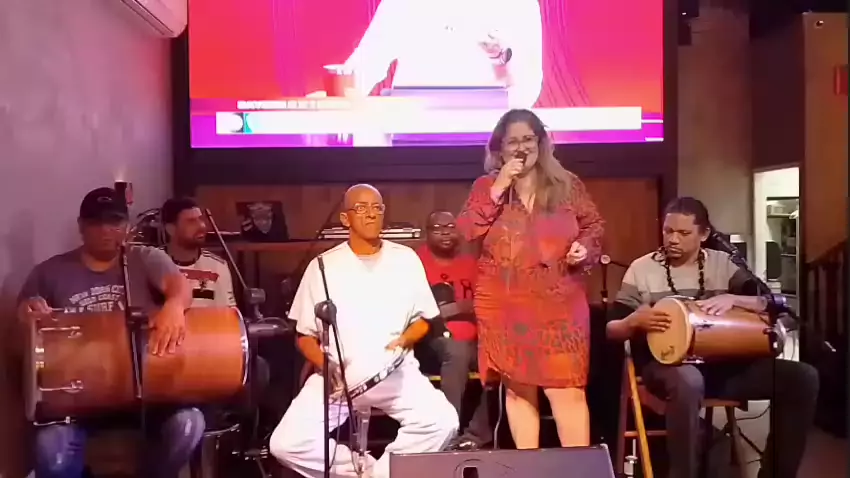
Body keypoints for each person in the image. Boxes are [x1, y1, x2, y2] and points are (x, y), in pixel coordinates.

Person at [605, 196, 819, 478]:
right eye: (668, 231)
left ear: (704, 234)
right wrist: (634, 321)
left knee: (802, 378)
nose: (673, 239)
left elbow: (771, 304)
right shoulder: (641, 269)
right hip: (666, 368)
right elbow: (612, 329)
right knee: (688, 380)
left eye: (684, 233)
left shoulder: (724, 264)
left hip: (725, 368)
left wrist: (735, 299)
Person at [270, 184, 458, 478]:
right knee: (286, 444)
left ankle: (384, 473)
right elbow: (304, 335)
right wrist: (324, 364)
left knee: (443, 423)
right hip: (339, 377)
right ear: (345, 218)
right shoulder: (323, 266)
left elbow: (426, 318)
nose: (371, 214)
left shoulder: (405, 259)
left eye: (377, 208)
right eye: (361, 208)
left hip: (395, 371)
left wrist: (405, 340)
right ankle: (361, 471)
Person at [19, 187, 202, 478]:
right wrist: (29, 312)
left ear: (126, 226)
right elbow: (24, 317)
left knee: (189, 424)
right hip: (77, 400)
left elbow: (178, 285)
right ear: (81, 226)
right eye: (96, 222)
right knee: (50, 449)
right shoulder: (50, 272)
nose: (106, 230)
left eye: (115, 222)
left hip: (146, 394)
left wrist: (174, 305)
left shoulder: (145, 258)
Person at [456, 108, 604, 449]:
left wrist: (583, 247)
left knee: (566, 391)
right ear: (500, 148)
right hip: (506, 307)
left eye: (528, 139)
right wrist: (499, 188)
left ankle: (578, 469)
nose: (521, 148)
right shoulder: (487, 187)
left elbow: (594, 226)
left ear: (540, 143)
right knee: (519, 392)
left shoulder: (567, 185)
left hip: (560, 304)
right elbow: (467, 229)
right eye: (513, 142)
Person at [340, 0, 543, 108]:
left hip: (491, 141)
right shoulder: (403, 4)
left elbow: (529, 83)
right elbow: (366, 65)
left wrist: (506, 62)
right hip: (410, 136)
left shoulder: (516, 5)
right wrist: (338, 100)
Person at [416, 210, 492, 451]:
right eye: (438, 228)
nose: (445, 233)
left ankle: (475, 435)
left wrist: (458, 308)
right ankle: (446, 434)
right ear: (427, 233)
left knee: (501, 358)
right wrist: (457, 309)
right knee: (456, 351)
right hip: (430, 340)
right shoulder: (415, 262)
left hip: (475, 340)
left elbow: (485, 303)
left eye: (450, 227)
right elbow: (414, 310)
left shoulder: (471, 264)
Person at [161, 197, 237, 308]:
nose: (201, 226)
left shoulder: (218, 266)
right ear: (170, 229)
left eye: (200, 219)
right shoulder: (151, 263)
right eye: (191, 221)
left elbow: (227, 313)